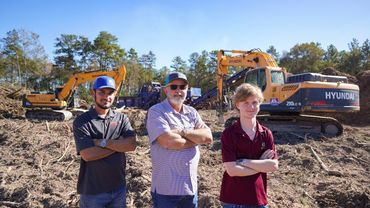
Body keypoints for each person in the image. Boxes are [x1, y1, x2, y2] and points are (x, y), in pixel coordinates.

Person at [146, 72, 213, 208]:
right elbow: (168, 141)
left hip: (190, 188)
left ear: (186, 90)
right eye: (174, 87)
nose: (178, 90)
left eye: (182, 87)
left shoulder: (192, 112)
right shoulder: (156, 111)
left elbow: (208, 137)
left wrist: (183, 132)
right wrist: (195, 139)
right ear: (166, 90)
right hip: (166, 191)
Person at [73, 75, 137, 208]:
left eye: (110, 93)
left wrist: (103, 143)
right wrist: (119, 144)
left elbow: (131, 144)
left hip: (119, 188)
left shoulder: (121, 118)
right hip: (93, 192)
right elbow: (88, 155)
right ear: (93, 93)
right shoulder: (82, 121)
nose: (106, 97)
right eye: (102, 92)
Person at [220, 83, 279, 208]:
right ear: (237, 105)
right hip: (233, 200)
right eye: (245, 103)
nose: (251, 107)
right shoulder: (229, 134)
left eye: (254, 102)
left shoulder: (266, 133)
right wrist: (260, 164)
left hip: (258, 198)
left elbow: (273, 165)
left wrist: (243, 162)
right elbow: (232, 170)